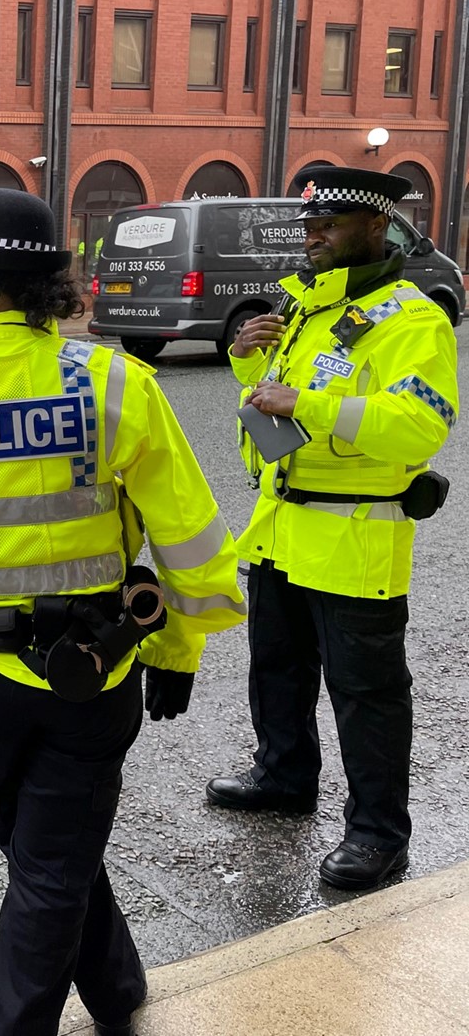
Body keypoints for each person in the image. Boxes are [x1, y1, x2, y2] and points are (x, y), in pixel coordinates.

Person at [0, 190, 246, 1036]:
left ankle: (65, 1009)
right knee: (50, 858)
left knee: (41, 858)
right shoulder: (115, 383)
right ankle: (117, 989)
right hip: (91, 671)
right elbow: (190, 543)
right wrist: (177, 649)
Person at [206, 167, 459, 891]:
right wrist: (247, 358)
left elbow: (419, 426)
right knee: (276, 670)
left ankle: (379, 834)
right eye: (308, 224)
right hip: (283, 524)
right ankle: (284, 776)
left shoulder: (410, 318)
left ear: (376, 227)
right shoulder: (303, 305)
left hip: (353, 537)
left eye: (330, 224)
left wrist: (307, 403)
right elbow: (271, 405)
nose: (311, 235)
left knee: (368, 694)